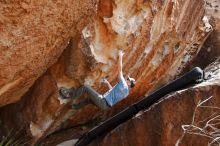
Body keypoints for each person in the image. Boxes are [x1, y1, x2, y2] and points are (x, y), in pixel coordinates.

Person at [59, 50, 136, 110]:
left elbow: (120, 70)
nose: (126, 79)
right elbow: (113, 91)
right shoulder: (126, 93)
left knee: (85, 88)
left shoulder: (123, 84)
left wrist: (120, 56)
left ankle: (69, 95)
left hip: (103, 101)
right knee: (89, 100)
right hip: (105, 106)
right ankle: (75, 107)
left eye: (128, 80)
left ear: (129, 84)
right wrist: (107, 83)